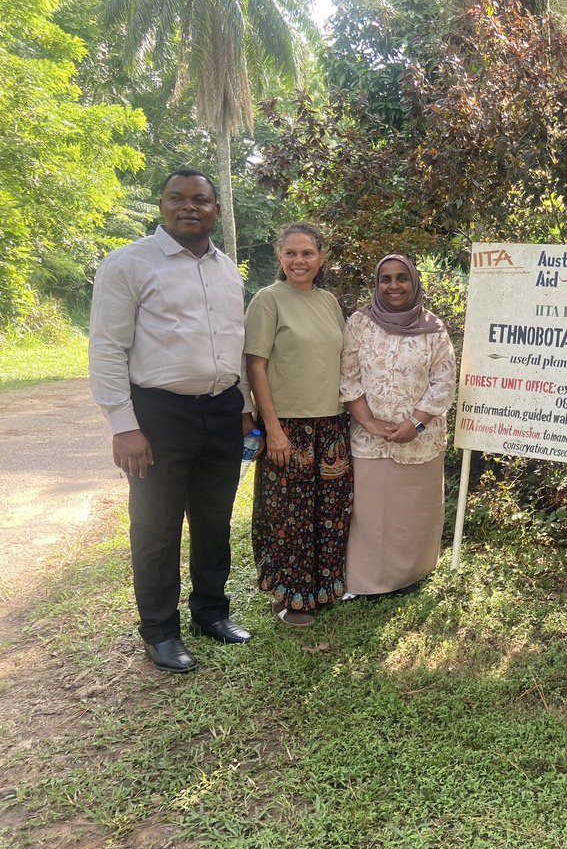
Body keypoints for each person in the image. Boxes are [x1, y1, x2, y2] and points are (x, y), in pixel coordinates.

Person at [89, 168, 255, 674]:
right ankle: (159, 631)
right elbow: (106, 347)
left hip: (222, 410)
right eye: (177, 199)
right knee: (156, 528)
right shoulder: (129, 264)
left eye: (200, 199)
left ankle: (211, 612)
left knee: (213, 521)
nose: (189, 207)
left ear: (216, 210)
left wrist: (243, 405)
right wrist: (123, 424)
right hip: (158, 415)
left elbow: (234, 343)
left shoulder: (228, 269)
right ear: (161, 205)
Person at [244, 223, 352, 627]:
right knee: (289, 517)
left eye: (307, 253)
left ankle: (323, 590)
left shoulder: (328, 302)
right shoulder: (268, 300)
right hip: (289, 426)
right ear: (280, 258)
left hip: (332, 426)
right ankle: (292, 598)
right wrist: (272, 428)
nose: (299, 261)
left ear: (321, 258)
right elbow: (255, 365)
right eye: (291, 253)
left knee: (330, 513)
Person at [339, 255, 456, 598]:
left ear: (414, 281)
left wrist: (415, 424)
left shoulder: (434, 329)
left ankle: (410, 575)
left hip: (420, 439)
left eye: (401, 278)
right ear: (375, 285)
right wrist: (369, 422)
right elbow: (347, 376)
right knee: (370, 513)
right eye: (385, 279)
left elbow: (444, 383)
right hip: (368, 439)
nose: (393, 286)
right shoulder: (360, 323)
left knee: (412, 512)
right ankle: (365, 582)